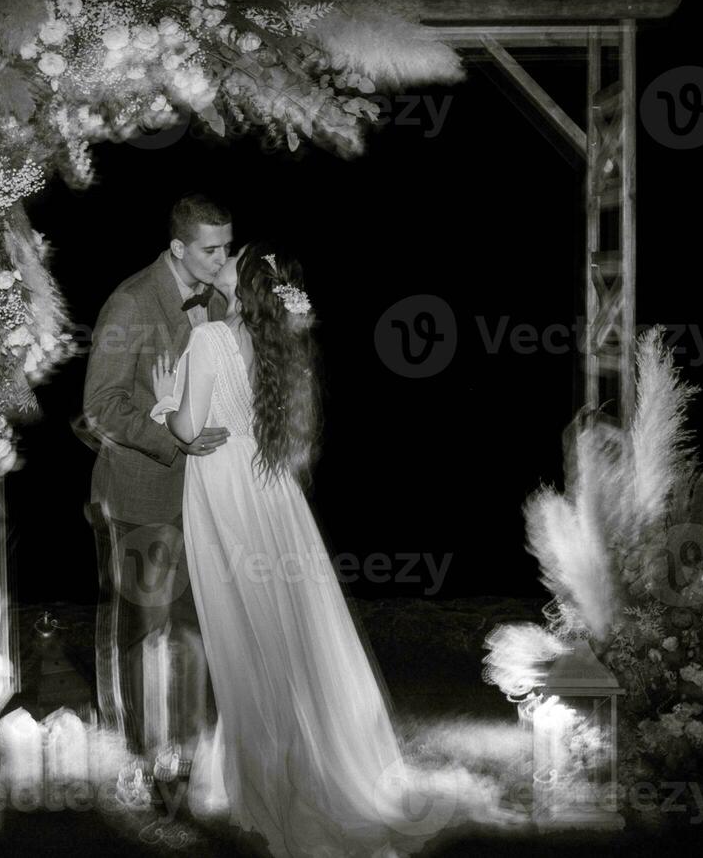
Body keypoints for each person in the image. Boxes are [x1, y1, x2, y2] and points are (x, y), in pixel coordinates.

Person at [150, 244, 496, 857]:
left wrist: (161, 400)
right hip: (274, 499)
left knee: (248, 632)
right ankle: (294, 766)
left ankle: (280, 783)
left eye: (233, 256)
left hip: (230, 497)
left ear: (244, 280)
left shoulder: (208, 340)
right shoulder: (276, 345)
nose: (223, 258)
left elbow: (187, 427)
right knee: (286, 633)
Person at [82, 193, 234, 784]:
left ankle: (194, 746)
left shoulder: (219, 298)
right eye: (211, 249)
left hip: (204, 495)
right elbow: (100, 408)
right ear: (178, 248)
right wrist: (173, 436)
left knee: (197, 623)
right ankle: (147, 759)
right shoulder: (131, 303)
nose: (223, 259)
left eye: (226, 246)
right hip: (143, 496)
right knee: (146, 629)